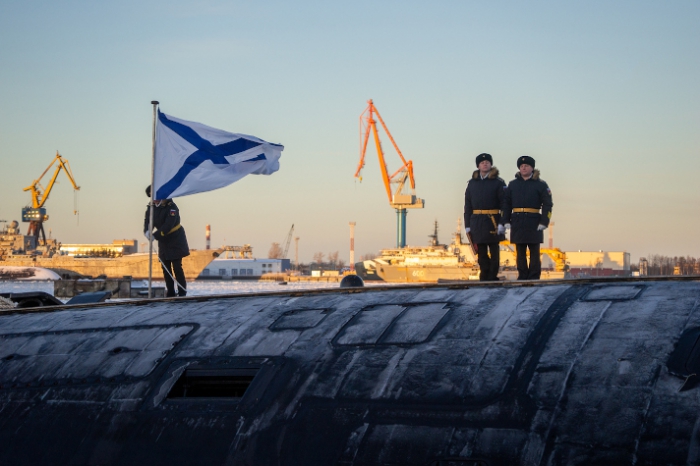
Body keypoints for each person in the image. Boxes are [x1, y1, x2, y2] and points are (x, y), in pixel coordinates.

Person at [502, 156, 553, 280]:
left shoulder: (541, 185)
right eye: (521, 166)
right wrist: (505, 220)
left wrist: (544, 221)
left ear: (532, 168)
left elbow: (548, 204)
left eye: (527, 166)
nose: (524, 168)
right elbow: (506, 203)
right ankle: (522, 275)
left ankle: (534, 276)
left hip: (534, 220)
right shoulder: (512, 184)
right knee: (520, 251)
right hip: (517, 220)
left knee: (534, 251)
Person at [464, 153, 507, 281]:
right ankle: (484, 274)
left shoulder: (499, 183)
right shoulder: (472, 184)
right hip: (477, 221)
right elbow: (468, 205)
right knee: (481, 251)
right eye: (482, 162)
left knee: (494, 250)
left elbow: (505, 203)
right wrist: (467, 225)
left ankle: (492, 275)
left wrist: (502, 223)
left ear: (491, 164)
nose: (485, 164)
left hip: (493, 220)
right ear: (478, 165)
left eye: (487, 162)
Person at [143, 185, 190, 297]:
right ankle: (170, 292)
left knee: (177, 267)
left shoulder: (171, 207)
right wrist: (147, 231)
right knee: (165, 267)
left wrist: (155, 235)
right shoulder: (151, 208)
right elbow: (148, 221)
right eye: (151, 197)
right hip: (163, 241)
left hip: (175, 239)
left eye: (155, 197)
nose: (153, 199)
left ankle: (182, 291)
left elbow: (168, 225)